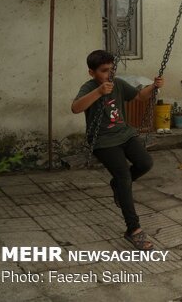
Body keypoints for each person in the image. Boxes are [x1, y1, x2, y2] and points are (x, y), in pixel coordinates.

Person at [72, 50, 164, 250]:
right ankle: (133, 229)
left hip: (125, 133)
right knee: (124, 177)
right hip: (103, 141)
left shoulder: (119, 84)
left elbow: (139, 97)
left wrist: (153, 87)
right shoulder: (88, 88)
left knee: (145, 163)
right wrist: (98, 92)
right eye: (104, 71)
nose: (109, 74)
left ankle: (118, 186)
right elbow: (76, 108)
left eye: (111, 69)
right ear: (92, 73)